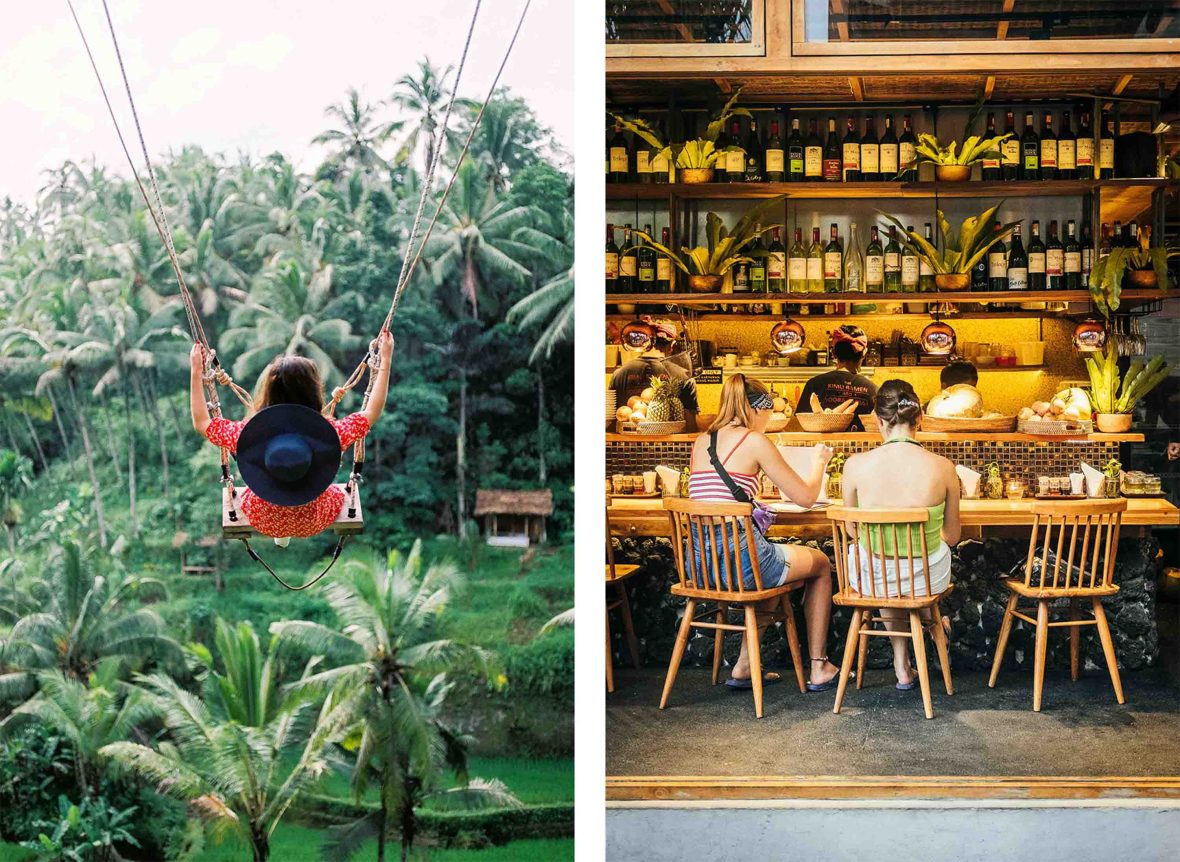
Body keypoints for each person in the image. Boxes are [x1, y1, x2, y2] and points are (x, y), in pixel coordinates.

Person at [687, 373, 840, 691]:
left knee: (768, 572)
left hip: (699, 565)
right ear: (758, 409)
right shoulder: (754, 440)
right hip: (742, 561)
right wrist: (820, 463)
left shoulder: (702, 441)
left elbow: (718, 495)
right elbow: (806, 497)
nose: (767, 423)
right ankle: (819, 666)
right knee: (821, 565)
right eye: (768, 416)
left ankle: (744, 666)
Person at [189, 331, 394, 541]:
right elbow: (371, 412)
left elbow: (202, 422)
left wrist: (196, 371)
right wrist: (385, 359)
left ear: (268, 390)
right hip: (314, 520)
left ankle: (281, 529)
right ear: (314, 390)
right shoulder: (331, 433)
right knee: (333, 492)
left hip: (263, 518)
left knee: (254, 494)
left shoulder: (246, 433)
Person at [839, 379, 962, 690]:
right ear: (919, 419)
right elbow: (952, 536)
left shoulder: (855, 465)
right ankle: (932, 626)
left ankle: (900, 661)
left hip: (872, 579)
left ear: (879, 421)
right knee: (914, 568)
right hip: (925, 579)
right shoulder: (944, 467)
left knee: (881, 566)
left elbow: (852, 529)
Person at [610, 317, 699, 431]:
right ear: (672, 345)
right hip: (670, 444)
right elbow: (691, 425)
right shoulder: (684, 376)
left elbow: (611, 421)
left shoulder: (619, 373)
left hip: (628, 442)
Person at [795, 325, 877, 429]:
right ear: (863, 355)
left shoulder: (814, 384)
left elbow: (802, 423)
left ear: (833, 353)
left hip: (822, 445)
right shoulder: (873, 389)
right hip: (861, 445)